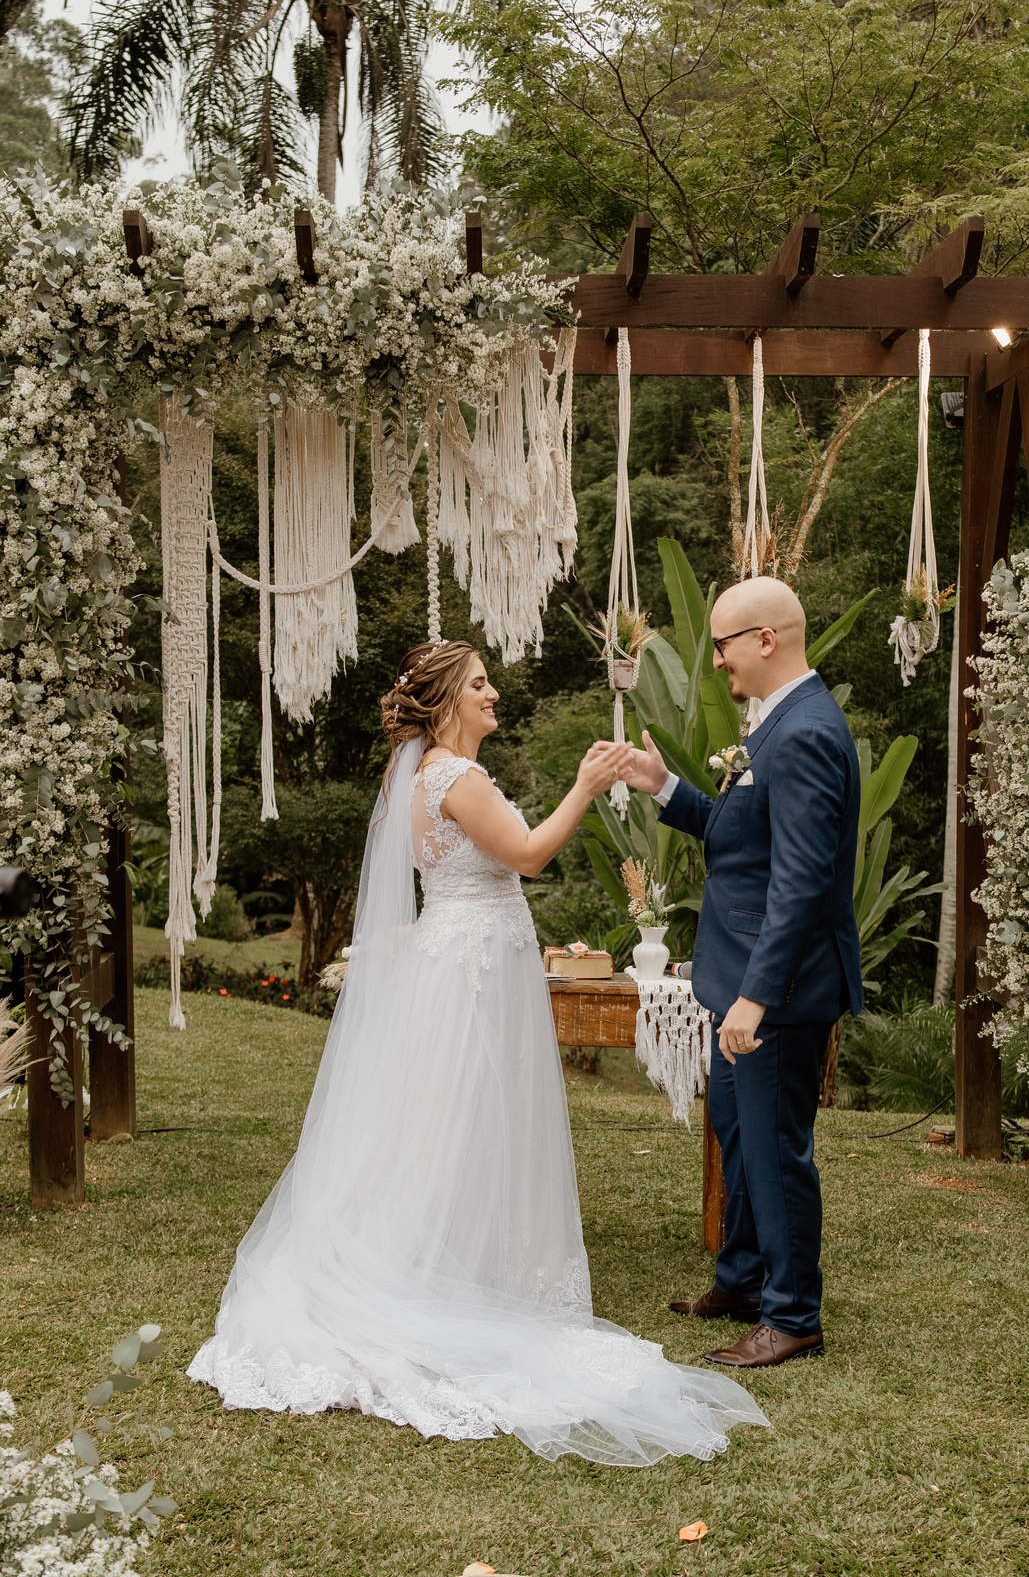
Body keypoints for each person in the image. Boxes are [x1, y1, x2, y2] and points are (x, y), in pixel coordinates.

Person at [189, 639, 766, 1466]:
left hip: (456, 954)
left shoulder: (414, 779)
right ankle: (452, 1283)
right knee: (470, 1121)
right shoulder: (460, 779)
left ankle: (442, 1261)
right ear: (450, 702)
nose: (495, 694)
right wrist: (586, 785)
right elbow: (527, 857)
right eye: (481, 685)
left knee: (445, 1123)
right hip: (477, 963)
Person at [621, 576, 862, 1369]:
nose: (715, 660)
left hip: (778, 993)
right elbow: (742, 834)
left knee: (774, 1147)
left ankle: (793, 1316)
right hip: (740, 980)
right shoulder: (772, 725)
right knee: (736, 1134)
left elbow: (798, 880)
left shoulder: (804, 734)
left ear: (766, 639)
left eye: (723, 643)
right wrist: (667, 789)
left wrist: (756, 998)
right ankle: (744, 1280)